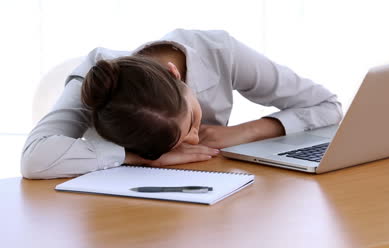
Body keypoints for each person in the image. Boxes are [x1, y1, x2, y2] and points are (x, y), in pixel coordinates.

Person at [21, 29, 343, 179]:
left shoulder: (218, 50)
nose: (192, 140)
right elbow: (35, 158)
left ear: (174, 74)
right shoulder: (92, 83)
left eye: (190, 123)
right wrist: (140, 158)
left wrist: (249, 131)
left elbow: (327, 105)